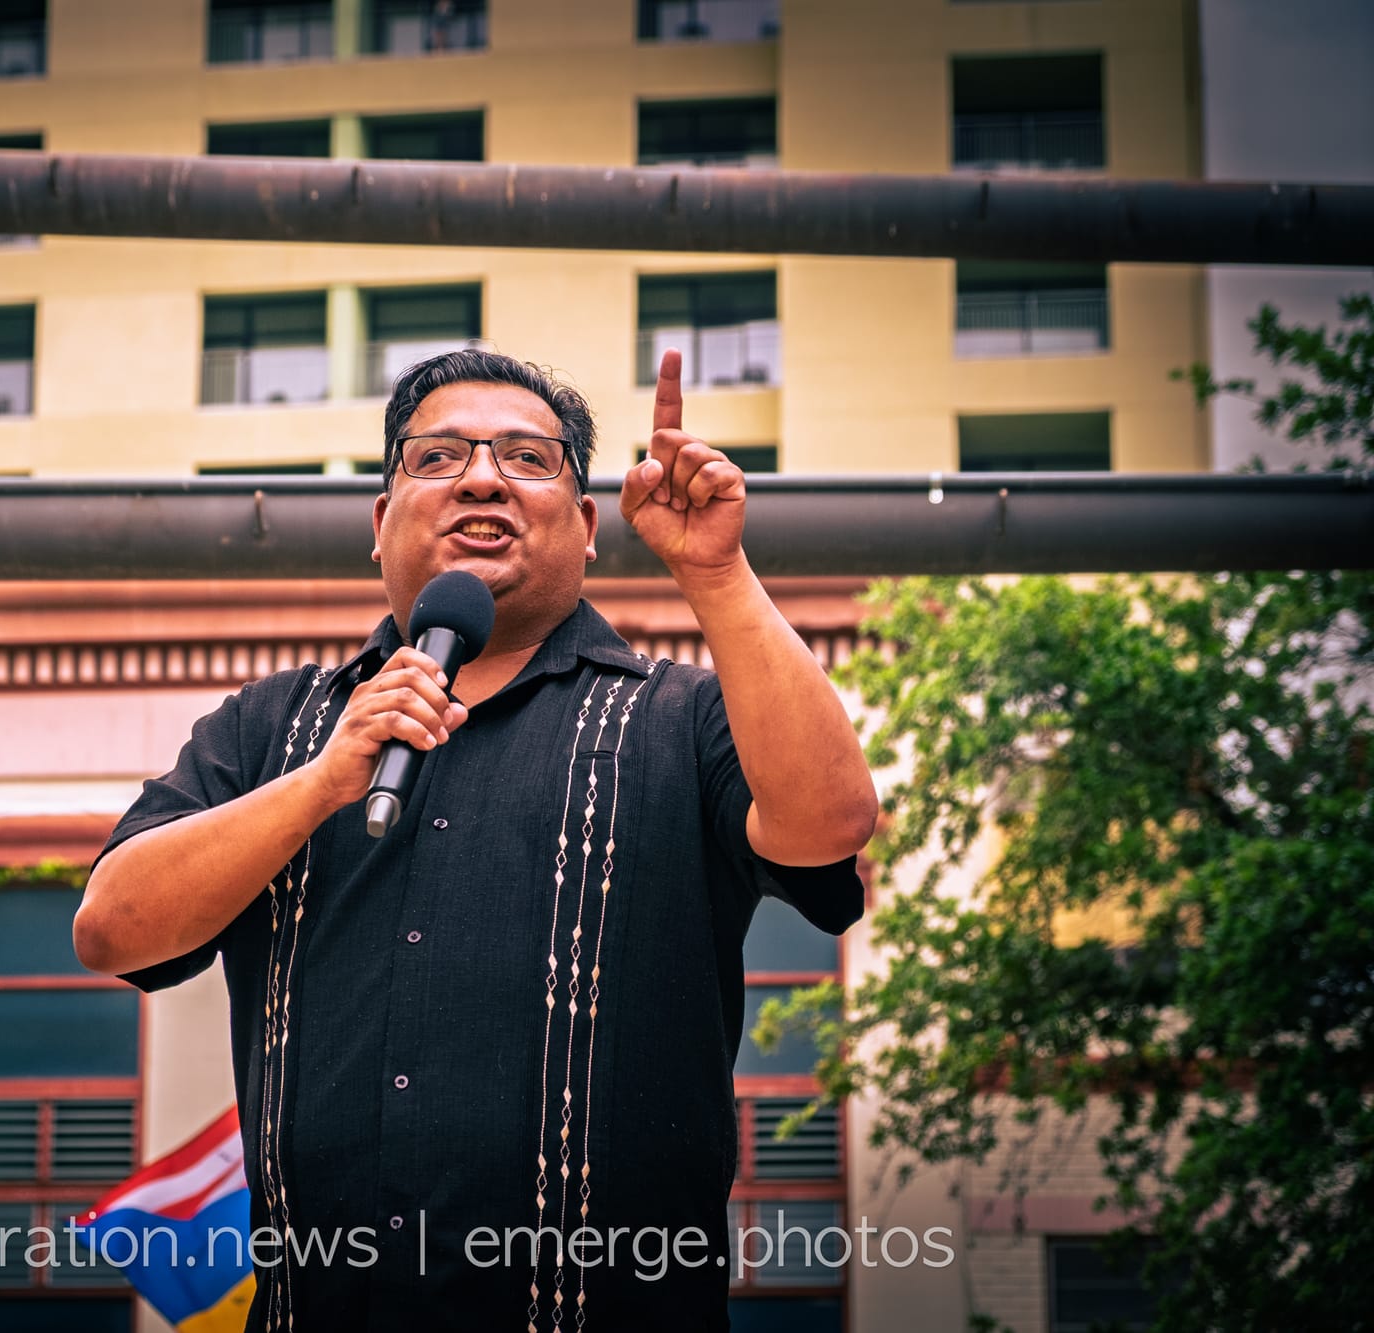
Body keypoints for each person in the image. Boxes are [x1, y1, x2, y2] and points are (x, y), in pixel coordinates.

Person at [75, 348, 877, 1331]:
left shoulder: (680, 716)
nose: (484, 478)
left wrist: (714, 571)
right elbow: (112, 929)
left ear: (588, 527)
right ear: (381, 523)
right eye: (439, 456)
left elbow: (829, 826)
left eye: (529, 458)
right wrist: (321, 781)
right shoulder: (271, 728)